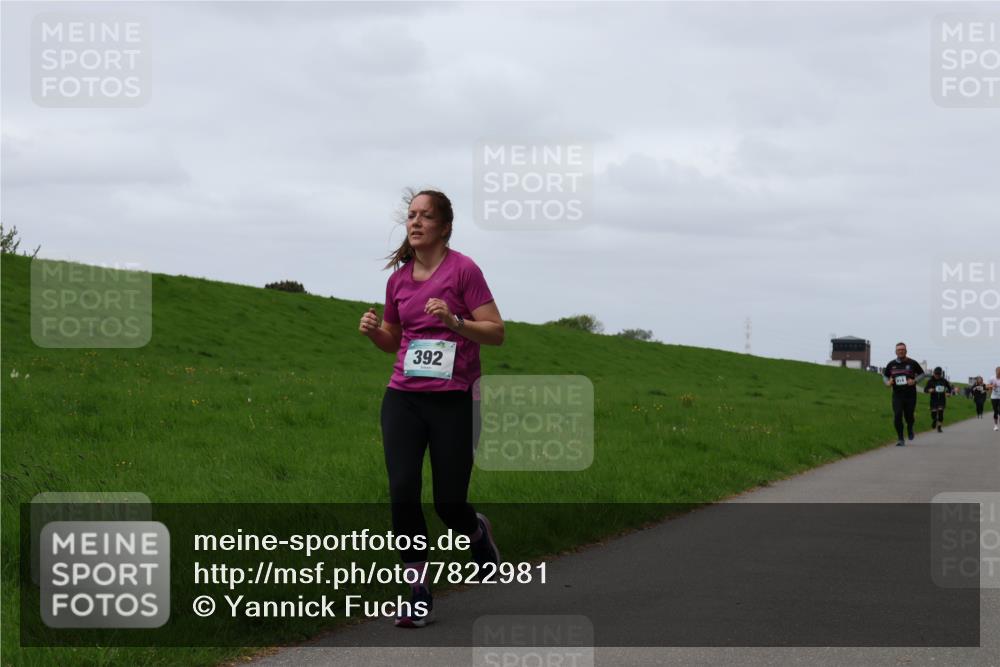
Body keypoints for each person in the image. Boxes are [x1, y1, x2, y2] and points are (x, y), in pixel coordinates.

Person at [359, 189, 505, 628]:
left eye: (425, 216)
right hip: (403, 397)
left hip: (455, 400)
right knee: (403, 491)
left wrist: (454, 322)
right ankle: (418, 592)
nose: (415, 222)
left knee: (448, 503)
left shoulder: (463, 270)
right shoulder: (398, 280)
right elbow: (393, 339)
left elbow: (496, 332)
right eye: (411, 215)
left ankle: (477, 533)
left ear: (444, 227)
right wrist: (374, 332)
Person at [882, 342, 926, 446]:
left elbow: (922, 374)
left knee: (909, 415)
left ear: (906, 351)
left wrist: (914, 381)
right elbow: (885, 376)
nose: (901, 351)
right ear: (895, 352)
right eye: (899, 350)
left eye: (902, 349)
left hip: (910, 395)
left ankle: (910, 428)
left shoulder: (912, 363)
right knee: (897, 415)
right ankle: (900, 439)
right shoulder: (891, 364)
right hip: (897, 395)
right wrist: (887, 383)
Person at [922, 367, 952, 433]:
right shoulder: (930, 381)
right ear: (934, 373)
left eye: (939, 374)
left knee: (940, 413)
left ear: (941, 374)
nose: (937, 376)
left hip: (942, 399)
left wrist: (948, 393)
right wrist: (929, 390)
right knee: (934, 414)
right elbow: (925, 390)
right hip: (933, 399)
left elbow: (949, 388)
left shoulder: (944, 380)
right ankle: (934, 420)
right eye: (936, 374)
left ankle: (939, 427)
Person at [989, 368, 1000, 432]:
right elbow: (987, 386)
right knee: (995, 411)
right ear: (995, 372)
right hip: (994, 397)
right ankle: (995, 426)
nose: (998, 373)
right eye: (997, 371)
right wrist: (992, 386)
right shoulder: (992, 378)